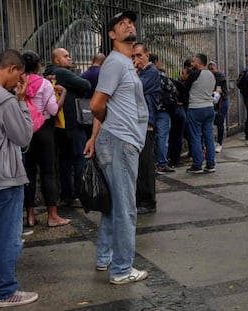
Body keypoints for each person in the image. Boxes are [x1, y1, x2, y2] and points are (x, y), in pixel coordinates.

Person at [83, 11, 149, 284]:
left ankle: (104, 258)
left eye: (130, 22)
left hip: (118, 140)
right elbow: (97, 105)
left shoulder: (123, 63)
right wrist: (110, 130)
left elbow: (108, 104)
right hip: (121, 142)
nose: (128, 25)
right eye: (121, 24)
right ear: (111, 34)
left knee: (114, 205)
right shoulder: (116, 64)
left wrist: (97, 136)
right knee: (126, 208)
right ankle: (121, 269)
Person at [0, 49, 38, 307]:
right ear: (12, 69)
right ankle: (5, 291)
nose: (17, 82)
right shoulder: (6, 101)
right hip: (6, 177)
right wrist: (21, 101)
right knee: (7, 237)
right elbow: (23, 137)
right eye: (17, 76)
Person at [22, 50, 71, 228]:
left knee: (28, 174)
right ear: (38, 66)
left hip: (25, 130)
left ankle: (30, 215)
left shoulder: (19, 83)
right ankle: (53, 215)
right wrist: (63, 93)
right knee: (48, 172)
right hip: (44, 129)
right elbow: (52, 110)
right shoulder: (44, 84)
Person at [43, 48, 91, 207]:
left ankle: (67, 194)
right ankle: (79, 194)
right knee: (79, 158)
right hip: (72, 123)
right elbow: (86, 84)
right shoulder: (63, 73)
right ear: (56, 60)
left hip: (58, 124)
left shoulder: (48, 74)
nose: (69, 58)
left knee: (65, 160)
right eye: (65, 56)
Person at [132, 42, 160, 214]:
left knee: (145, 164)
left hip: (146, 124)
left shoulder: (150, 72)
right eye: (133, 56)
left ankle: (148, 201)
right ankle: (140, 198)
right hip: (137, 124)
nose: (136, 60)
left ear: (147, 56)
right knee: (138, 164)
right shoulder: (141, 73)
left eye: (139, 56)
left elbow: (134, 89)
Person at [184, 53, 217, 173]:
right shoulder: (211, 75)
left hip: (195, 108)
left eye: (193, 62)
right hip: (209, 107)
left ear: (198, 62)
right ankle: (211, 163)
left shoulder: (194, 74)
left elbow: (185, 89)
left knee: (195, 137)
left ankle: (197, 164)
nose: (192, 64)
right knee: (209, 136)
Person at [149, 53, 176, 174]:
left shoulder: (143, 76)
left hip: (149, 111)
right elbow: (173, 89)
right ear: (155, 62)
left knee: (150, 138)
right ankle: (162, 163)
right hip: (162, 111)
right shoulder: (161, 77)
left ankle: (150, 163)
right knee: (162, 137)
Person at [80, 52, 106, 138]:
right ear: (103, 63)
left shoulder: (82, 75)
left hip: (85, 110)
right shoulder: (103, 75)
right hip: (100, 111)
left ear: (93, 61)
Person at [207, 61, 229, 153]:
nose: (211, 71)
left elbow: (218, 90)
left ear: (216, 68)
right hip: (213, 101)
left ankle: (219, 143)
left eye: (212, 69)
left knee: (220, 122)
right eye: (209, 69)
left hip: (221, 102)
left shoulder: (219, 76)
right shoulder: (208, 77)